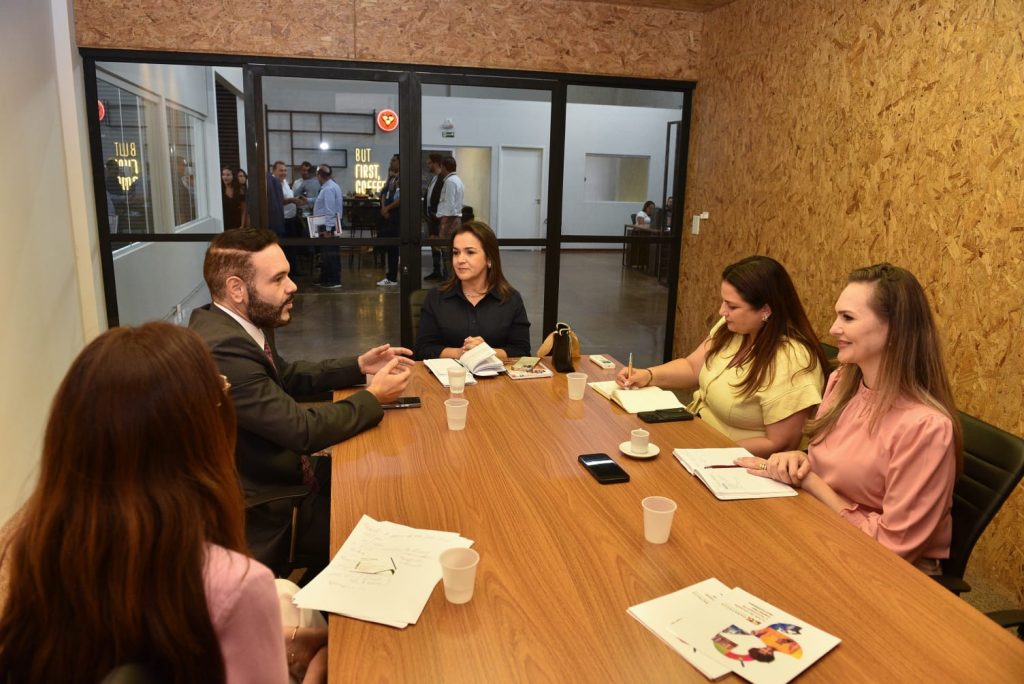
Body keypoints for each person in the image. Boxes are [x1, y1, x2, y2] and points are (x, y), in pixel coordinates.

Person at [0, 323, 317, 682]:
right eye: (221, 392)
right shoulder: (233, 582)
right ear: (198, 435)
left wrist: (281, 640)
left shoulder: (36, 552)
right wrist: (319, 672)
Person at [188, 228, 414, 573]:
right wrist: (373, 396)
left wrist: (357, 365)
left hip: (285, 470)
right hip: (269, 504)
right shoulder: (224, 349)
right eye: (278, 279)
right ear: (237, 289)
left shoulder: (235, 324)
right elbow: (303, 431)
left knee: (386, 480)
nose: (292, 286)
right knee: (389, 530)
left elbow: (287, 376)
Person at [737, 264, 962, 573]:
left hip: (887, 572)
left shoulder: (926, 427)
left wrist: (812, 482)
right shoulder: (842, 382)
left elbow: (891, 550)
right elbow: (834, 465)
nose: (833, 329)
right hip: (824, 531)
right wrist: (799, 460)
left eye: (848, 318)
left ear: (894, 329)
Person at [617, 256, 827, 458]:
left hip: (734, 460)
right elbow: (692, 367)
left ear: (765, 310)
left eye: (732, 306)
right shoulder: (733, 328)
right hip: (697, 435)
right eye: (724, 302)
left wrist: (708, 452)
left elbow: (780, 444)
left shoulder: (792, 360)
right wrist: (647, 375)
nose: (722, 311)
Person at [415, 220, 530, 361]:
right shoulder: (436, 297)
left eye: (470, 252)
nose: (460, 260)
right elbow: (422, 350)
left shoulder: (510, 299)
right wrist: (461, 353)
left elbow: (522, 351)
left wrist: (486, 352)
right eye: (456, 253)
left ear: (489, 259)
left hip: (496, 374)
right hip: (448, 374)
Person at [312, 164, 343, 288]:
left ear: (319, 175)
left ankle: (334, 280)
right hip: (331, 223)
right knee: (328, 253)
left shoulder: (328, 188)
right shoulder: (331, 186)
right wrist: (308, 200)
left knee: (330, 253)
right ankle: (326, 278)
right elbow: (323, 203)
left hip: (328, 225)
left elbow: (330, 210)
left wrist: (328, 230)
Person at [436, 155, 464, 280]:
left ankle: (449, 281)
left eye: (441, 166)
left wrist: (443, 224)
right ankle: (450, 280)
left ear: (445, 167)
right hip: (454, 219)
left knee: (447, 252)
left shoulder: (450, 181)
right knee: (450, 251)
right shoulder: (457, 180)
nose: (440, 169)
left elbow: (449, 204)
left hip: (450, 221)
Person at [377, 154, 400, 287]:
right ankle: (390, 274)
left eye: (394, 160)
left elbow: (400, 198)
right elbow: (384, 193)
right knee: (389, 247)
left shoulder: (402, 179)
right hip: (388, 215)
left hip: (396, 216)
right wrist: (383, 207)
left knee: (393, 247)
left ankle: (392, 277)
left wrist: (388, 208)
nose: (391, 162)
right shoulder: (392, 178)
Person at [423, 152, 446, 281]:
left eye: (429, 163)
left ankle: (445, 273)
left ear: (436, 163)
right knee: (433, 244)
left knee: (441, 245)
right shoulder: (434, 178)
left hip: (439, 218)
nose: (428, 165)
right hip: (431, 217)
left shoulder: (444, 179)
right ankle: (436, 270)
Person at [221, 166, 248, 230]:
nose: (225, 177)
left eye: (228, 175)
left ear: (233, 176)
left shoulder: (239, 190)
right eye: (223, 174)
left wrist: (242, 226)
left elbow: (243, 210)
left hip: (237, 224)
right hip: (223, 224)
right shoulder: (220, 190)